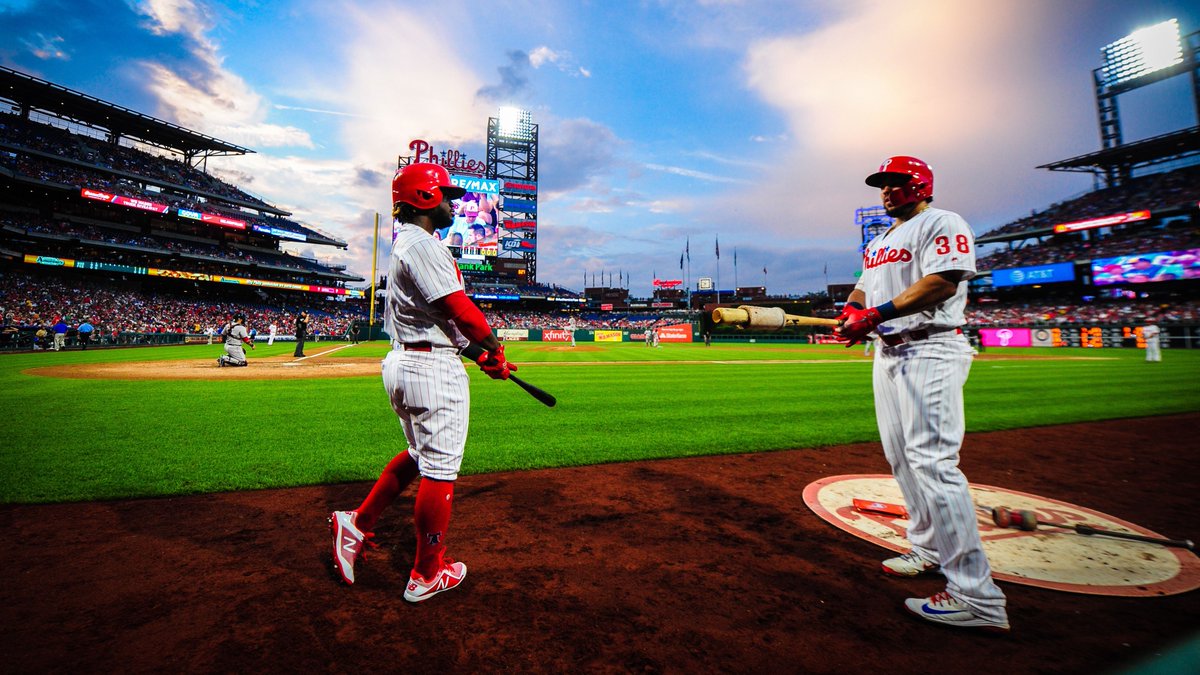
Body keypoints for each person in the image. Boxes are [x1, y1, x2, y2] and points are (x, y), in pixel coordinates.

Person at [328, 162, 516, 602]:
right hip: (428, 370)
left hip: (408, 361)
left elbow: (439, 326)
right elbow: (461, 310)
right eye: (448, 196)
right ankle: (428, 572)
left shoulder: (407, 244)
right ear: (426, 198)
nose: (454, 204)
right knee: (441, 470)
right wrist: (496, 347)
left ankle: (358, 522)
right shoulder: (424, 246)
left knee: (419, 454)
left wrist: (483, 356)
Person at [836, 155, 1008, 632]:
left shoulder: (942, 222)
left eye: (895, 183)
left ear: (920, 184)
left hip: (931, 347)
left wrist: (876, 314)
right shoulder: (882, 240)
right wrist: (851, 311)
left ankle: (977, 597)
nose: (887, 191)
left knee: (933, 462)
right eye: (882, 185)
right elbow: (863, 287)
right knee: (902, 459)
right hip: (889, 352)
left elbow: (943, 282)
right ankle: (928, 547)